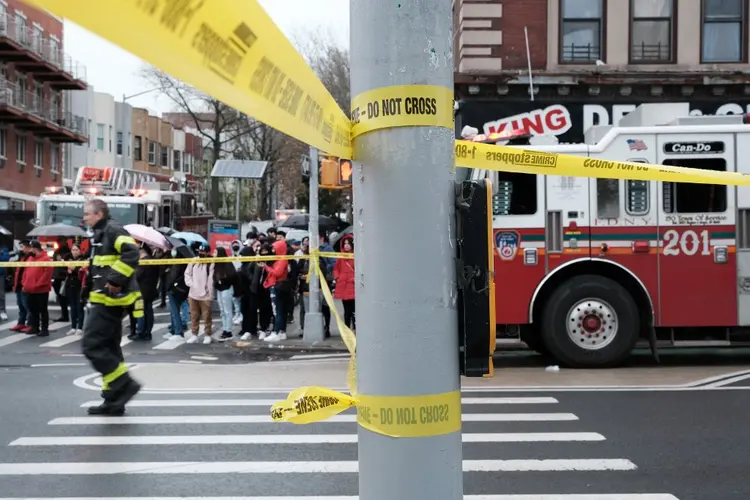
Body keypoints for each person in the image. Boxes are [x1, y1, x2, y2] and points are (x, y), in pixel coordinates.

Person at [81, 198, 142, 416]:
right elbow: (97, 267)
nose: (84, 218)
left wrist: (115, 280)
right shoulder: (100, 233)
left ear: (98, 214)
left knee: (92, 346)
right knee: (109, 348)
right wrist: (86, 291)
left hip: (111, 300)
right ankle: (113, 401)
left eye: (87, 214)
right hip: (102, 298)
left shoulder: (113, 230)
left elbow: (132, 254)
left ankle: (124, 385)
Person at [184, 244, 215, 344]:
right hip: (193, 294)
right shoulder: (193, 261)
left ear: (207, 252)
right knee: (194, 316)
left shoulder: (211, 263)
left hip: (205, 295)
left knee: (207, 316)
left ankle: (207, 335)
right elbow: (187, 274)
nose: (201, 253)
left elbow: (210, 280)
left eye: (203, 251)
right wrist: (191, 284)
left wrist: (210, 294)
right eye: (200, 251)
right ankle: (194, 334)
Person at [22, 241, 53, 337]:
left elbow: (46, 274)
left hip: (41, 290)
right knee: (33, 309)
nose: (29, 250)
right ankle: (35, 327)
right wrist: (24, 283)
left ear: (35, 248)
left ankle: (44, 329)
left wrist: (37, 284)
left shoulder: (46, 259)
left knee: (42, 310)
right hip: (30, 289)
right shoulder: (30, 259)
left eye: (31, 248)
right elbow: (25, 272)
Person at [262, 238, 289, 342]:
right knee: (280, 310)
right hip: (277, 285)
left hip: (277, 285)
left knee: (277, 310)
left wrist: (266, 267)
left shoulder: (282, 259)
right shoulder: (279, 258)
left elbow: (277, 272)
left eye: (274, 248)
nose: (272, 250)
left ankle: (277, 331)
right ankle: (281, 331)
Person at [131, 245, 160, 342]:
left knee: (142, 312)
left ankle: (143, 331)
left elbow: (137, 275)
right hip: (150, 290)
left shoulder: (144, 262)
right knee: (148, 311)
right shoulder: (153, 260)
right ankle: (146, 331)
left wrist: (134, 269)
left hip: (143, 291)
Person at [214, 246, 238, 341]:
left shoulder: (227, 263)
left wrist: (223, 280)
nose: (214, 254)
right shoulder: (216, 264)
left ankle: (228, 331)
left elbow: (233, 276)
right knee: (222, 311)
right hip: (219, 289)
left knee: (227, 311)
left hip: (227, 288)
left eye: (215, 253)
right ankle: (224, 329)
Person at [64, 244, 87, 336]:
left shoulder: (83, 260)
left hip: (79, 286)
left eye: (76, 250)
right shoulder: (69, 259)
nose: (74, 252)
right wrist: (67, 269)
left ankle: (80, 327)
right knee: (72, 308)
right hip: (70, 286)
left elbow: (81, 271)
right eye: (73, 250)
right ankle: (73, 327)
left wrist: (73, 268)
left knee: (79, 307)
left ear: (80, 251)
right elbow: (65, 271)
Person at [334, 236, 356, 331]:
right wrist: (338, 277)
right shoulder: (341, 256)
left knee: (354, 310)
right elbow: (336, 269)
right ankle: (347, 329)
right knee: (346, 310)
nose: (346, 246)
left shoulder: (356, 255)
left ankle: (355, 328)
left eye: (348, 243)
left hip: (353, 284)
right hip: (343, 285)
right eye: (345, 243)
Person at [9, 240, 31, 332]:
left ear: (28, 247)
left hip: (24, 284)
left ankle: (30, 324)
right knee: (21, 306)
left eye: (22, 247)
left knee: (27, 306)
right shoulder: (20, 256)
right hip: (18, 283)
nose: (21, 249)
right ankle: (21, 323)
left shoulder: (30, 257)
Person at [52, 243, 71, 323]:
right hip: (57, 277)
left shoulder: (68, 254)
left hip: (61, 278)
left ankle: (65, 315)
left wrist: (61, 261)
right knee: (61, 298)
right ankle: (64, 315)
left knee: (63, 298)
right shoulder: (57, 252)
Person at [230, 240, 244, 325]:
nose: (235, 246)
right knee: (234, 298)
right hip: (233, 279)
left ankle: (241, 314)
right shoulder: (231, 256)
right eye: (233, 244)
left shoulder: (242, 256)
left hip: (240, 279)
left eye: (237, 244)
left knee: (241, 298)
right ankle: (237, 313)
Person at [0, 241, 8, 321]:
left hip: (0, 274)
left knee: (1, 294)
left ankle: (2, 311)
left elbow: (5, 258)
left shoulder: (3, 247)